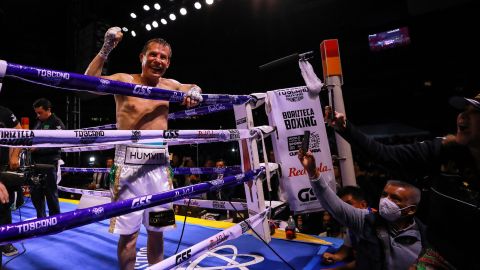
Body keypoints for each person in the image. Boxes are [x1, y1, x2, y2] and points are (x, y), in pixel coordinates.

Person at [85, 27, 202, 269]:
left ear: (168, 63)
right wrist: (106, 48)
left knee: (157, 231)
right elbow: (88, 84)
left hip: (159, 168)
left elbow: (193, 86)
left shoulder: (169, 85)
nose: (158, 60)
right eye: (153, 54)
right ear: (142, 57)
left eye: (163, 57)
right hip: (128, 168)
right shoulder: (124, 81)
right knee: (129, 236)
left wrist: (194, 92)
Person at [324, 92, 480, 269]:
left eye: (474, 111)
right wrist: (345, 128)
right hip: (439, 255)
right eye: (463, 110)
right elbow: (386, 155)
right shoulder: (443, 151)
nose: (462, 115)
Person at [298, 149, 426, 270]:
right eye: (384, 195)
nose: (386, 200)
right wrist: (313, 173)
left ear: (411, 210)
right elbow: (333, 205)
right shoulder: (366, 220)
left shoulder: (426, 236)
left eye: (395, 198)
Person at [322, 186, 374, 270]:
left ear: (363, 205)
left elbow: (367, 261)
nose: (344, 210)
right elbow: (346, 249)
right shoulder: (351, 223)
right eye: (342, 206)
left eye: (348, 204)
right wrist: (335, 256)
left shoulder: (375, 224)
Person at [30, 98, 65, 218]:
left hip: (50, 163)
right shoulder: (38, 123)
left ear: (48, 110)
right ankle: (41, 218)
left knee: (50, 193)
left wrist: (38, 148)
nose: (38, 115)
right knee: (35, 193)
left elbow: (59, 144)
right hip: (36, 163)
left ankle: (55, 220)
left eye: (40, 112)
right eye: (36, 113)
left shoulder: (56, 123)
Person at [0, 106, 22, 259]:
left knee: (4, 203)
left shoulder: (5, 112)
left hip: (2, 167)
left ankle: (5, 241)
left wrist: (14, 154)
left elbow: (19, 132)